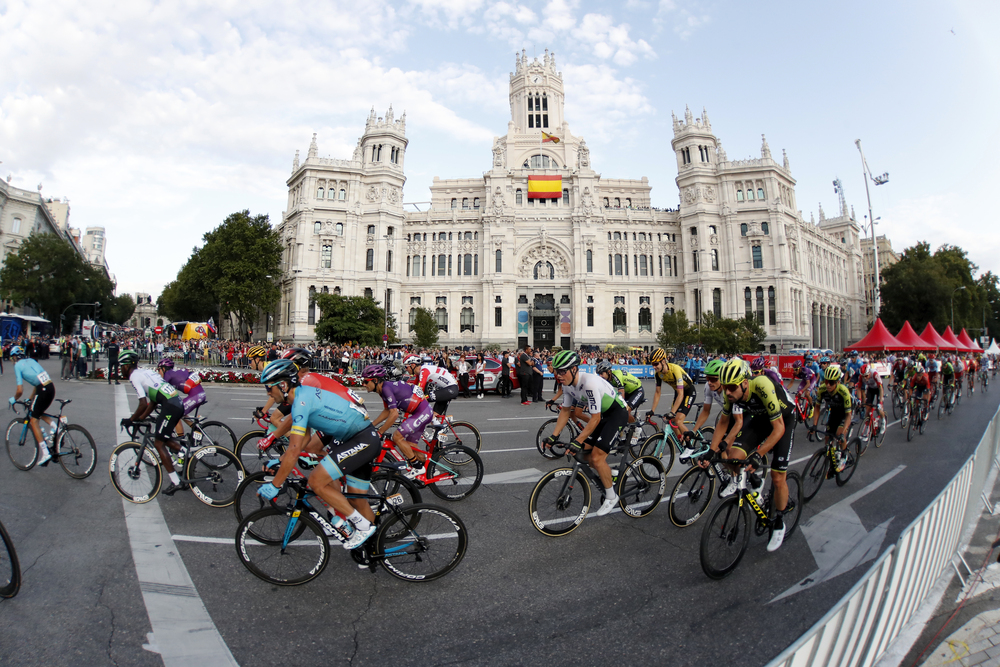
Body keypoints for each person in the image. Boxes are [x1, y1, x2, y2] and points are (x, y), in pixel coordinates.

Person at [256, 359, 380, 550]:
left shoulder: (301, 402)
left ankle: (362, 526)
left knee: (315, 481)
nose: (267, 393)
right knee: (357, 500)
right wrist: (281, 463)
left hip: (360, 440)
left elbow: (295, 449)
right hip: (359, 438)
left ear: (282, 385)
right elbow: (302, 441)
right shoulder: (302, 397)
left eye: (268, 387)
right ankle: (373, 549)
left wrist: (276, 484)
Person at [709, 358, 795, 552]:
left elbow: (778, 427)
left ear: (745, 383)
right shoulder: (730, 393)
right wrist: (711, 452)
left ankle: (779, 522)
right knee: (732, 455)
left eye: (732, 387)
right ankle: (756, 482)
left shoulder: (762, 385)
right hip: (759, 418)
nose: (728, 392)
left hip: (783, 420)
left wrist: (758, 454)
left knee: (777, 476)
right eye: (725, 387)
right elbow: (723, 423)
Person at [542, 350, 629, 517]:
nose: (558, 375)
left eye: (562, 371)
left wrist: (578, 439)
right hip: (603, 415)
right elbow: (566, 411)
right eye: (555, 371)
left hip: (617, 413)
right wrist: (554, 436)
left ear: (574, 369)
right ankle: (610, 473)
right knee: (583, 453)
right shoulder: (567, 385)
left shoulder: (589, 383)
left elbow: (594, 418)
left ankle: (611, 497)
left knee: (596, 456)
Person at [118, 350, 190, 496]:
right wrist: (140, 418)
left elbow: (143, 403)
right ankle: (185, 452)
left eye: (121, 366)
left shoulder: (134, 377)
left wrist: (131, 420)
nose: (120, 369)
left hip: (170, 405)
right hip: (175, 403)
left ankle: (176, 481)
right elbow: (153, 402)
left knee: (158, 443)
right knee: (163, 437)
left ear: (127, 366)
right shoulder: (144, 372)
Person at [363, 364, 431, 479]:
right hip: (420, 411)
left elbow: (394, 414)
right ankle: (429, 471)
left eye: (365, 381)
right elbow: (386, 411)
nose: (363, 384)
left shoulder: (385, 389)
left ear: (375, 380)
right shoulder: (382, 389)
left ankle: (418, 468)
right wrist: (371, 425)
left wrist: (380, 431)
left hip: (422, 411)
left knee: (397, 437)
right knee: (410, 446)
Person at [9, 346, 56, 466]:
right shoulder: (32, 361)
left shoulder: (17, 366)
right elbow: (37, 383)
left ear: (14, 357)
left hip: (43, 389)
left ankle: (45, 453)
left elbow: (20, 390)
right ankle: (54, 426)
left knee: (33, 421)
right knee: (37, 411)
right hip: (50, 387)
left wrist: (14, 399)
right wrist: (30, 399)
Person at [690, 358, 743, 458]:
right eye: (707, 378)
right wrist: (694, 431)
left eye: (714, 379)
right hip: (728, 414)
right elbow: (705, 411)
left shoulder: (731, 390)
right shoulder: (708, 387)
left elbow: (739, 421)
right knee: (720, 452)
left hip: (742, 416)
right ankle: (729, 473)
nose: (709, 382)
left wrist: (727, 441)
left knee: (730, 450)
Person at [810, 365, 853, 474]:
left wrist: (844, 433)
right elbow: (817, 407)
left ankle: (845, 456)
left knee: (839, 435)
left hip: (844, 413)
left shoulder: (844, 392)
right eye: (826, 381)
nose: (828, 385)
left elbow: (848, 415)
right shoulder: (822, 389)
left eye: (832, 383)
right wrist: (814, 425)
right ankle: (832, 456)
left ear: (838, 382)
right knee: (827, 438)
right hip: (834, 412)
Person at [647, 348, 697, 439]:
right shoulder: (658, 374)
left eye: (655, 364)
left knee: (677, 421)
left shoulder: (675, 370)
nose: (654, 367)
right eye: (652, 364)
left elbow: (681, 394)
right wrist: (652, 410)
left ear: (663, 361)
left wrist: (672, 412)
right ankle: (682, 441)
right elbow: (658, 392)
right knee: (671, 421)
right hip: (678, 392)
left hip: (688, 392)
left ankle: (690, 446)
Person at [156, 358, 206, 440]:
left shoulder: (167, 375)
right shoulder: (173, 373)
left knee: (175, 413)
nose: (158, 372)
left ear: (163, 369)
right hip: (199, 394)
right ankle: (195, 427)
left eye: (159, 370)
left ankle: (181, 439)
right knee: (179, 409)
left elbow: (161, 391)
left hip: (196, 396)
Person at [408, 355, 459, 421]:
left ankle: (447, 421)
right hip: (445, 389)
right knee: (434, 416)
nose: (406, 369)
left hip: (451, 389)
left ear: (413, 365)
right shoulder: (420, 372)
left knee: (424, 398)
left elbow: (419, 389)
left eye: (406, 367)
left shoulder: (424, 371)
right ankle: (443, 425)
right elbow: (414, 387)